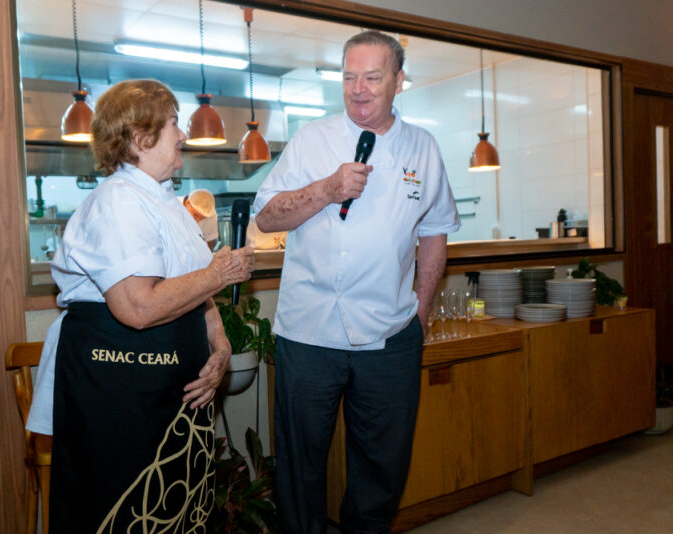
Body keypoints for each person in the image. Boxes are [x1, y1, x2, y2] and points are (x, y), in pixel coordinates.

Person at [25, 79, 254, 533]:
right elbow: (138, 308)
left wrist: (220, 347)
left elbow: (193, 290)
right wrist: (220, 272)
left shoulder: (164, 200)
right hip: (117, 385)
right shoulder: (118, 201)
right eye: (173, 123)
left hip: (165, 388)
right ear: (139, 137)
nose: (183, 134)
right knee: (125, 509)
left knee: (179, 507)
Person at [253, 31, 460, 534]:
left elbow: (434, 235)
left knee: (381, 471)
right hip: (308, 333)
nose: (359, 89)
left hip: (390, 333)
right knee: (300, 469)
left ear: (399, 81)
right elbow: (265, 217)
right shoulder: (312, 139)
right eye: (349, 77)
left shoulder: (424, 148)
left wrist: (421, 311)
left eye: (372, 77)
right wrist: (325, 189)